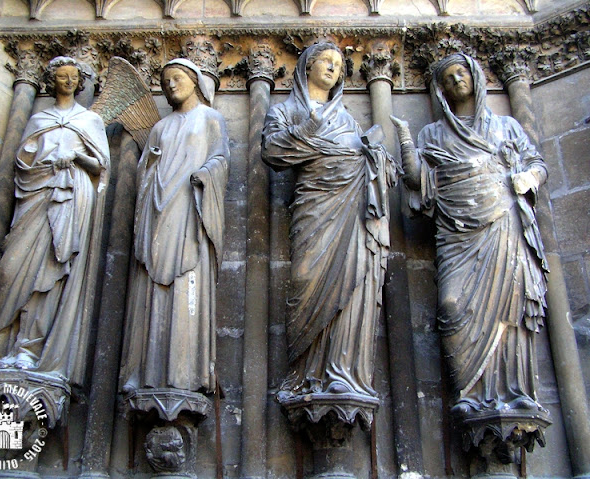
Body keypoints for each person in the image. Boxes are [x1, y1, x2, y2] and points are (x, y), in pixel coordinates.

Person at [391, 53, 548, 415]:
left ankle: (514, 392)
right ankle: (470, 392)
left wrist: (529, 178)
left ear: (476, 77)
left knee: (509, 309)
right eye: (447, 77)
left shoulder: (507, 126)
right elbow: (418, 182)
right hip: (456, 231)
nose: (456, 79)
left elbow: (536, 162)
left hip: (503, 223)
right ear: (440, 90)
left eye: (461, 72)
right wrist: (403, 138)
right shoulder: (432, 133)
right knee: (451, 304)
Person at [262, 42, 398, 398]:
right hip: (316, 208)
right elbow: (272, 150)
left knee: (353, 285)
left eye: (339, 64)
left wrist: (377, 157)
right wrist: (308, 128)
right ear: (307, 65)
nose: (333, 67)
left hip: (352, 210)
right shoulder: (285, 110)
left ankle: (343, 371)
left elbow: (366, 155)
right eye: (326, 60)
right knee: (306, 278)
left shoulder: (347, 118)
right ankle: (306, 373)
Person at [0, 56, 109, 385]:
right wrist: (43, 159)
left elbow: (101, 166)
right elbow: (22, 162)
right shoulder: (39, 118)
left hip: (69, 198)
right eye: (62, 76)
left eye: (73, 77)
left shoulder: (90, 120)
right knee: (10, 269)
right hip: (35, 197)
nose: (68, 81)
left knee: (52, 268)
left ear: (81, 82)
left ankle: (32, 346)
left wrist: (76, 156)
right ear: (51, 81)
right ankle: (7, 343)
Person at [119, 58, 230, 394]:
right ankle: (145, 372)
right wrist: (150, 162)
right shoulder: (160, 127)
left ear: (194, 80)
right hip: (158, 216)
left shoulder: (211, 118)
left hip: (190, 212)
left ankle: (187, 373)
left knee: (187, 288)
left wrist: (205, 176)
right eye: (165, 81)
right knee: (151, 293)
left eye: (177, 78)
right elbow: (144, 171)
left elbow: (222, 158)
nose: (170, 85)